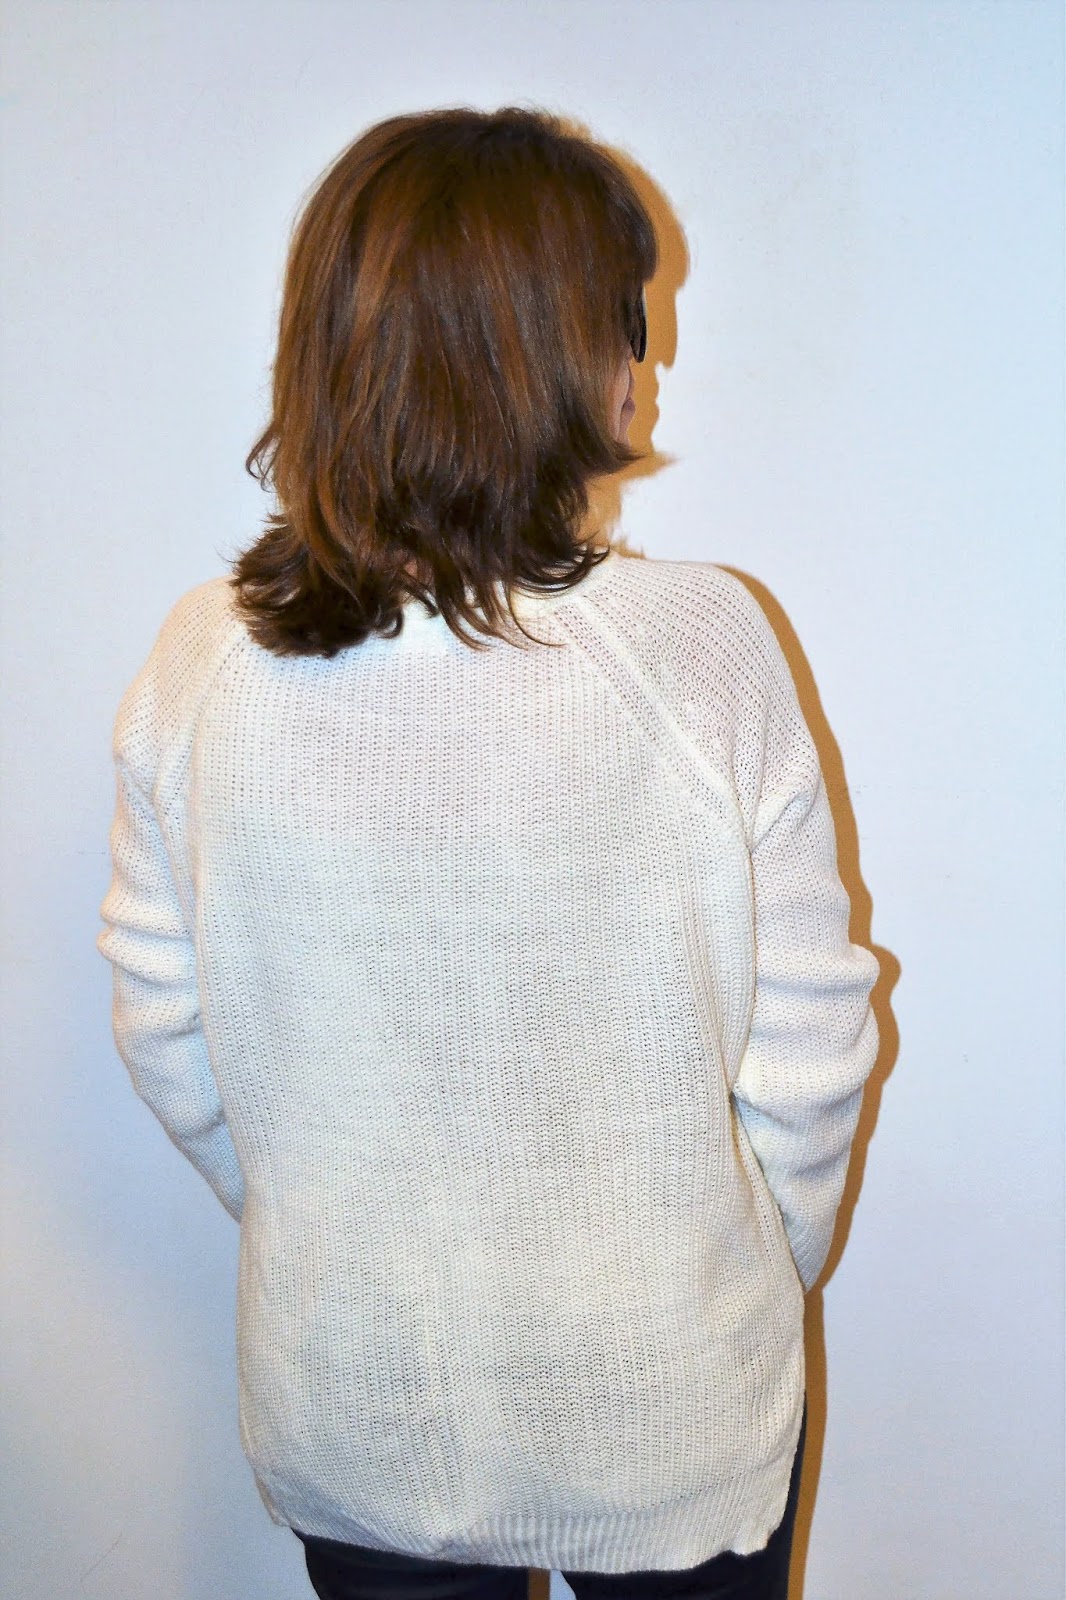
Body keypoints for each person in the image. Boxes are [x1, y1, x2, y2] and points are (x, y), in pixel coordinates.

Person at [98, 106, 880, 1600]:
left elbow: (164, 1022)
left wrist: (329, 1234)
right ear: (546, 356)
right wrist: (736, 1272)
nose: (646, 366)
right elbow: (811, 1043)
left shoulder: (204, 664)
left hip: (356, 1399)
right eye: (625, 320)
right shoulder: (699, 643)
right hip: (671, 1407)